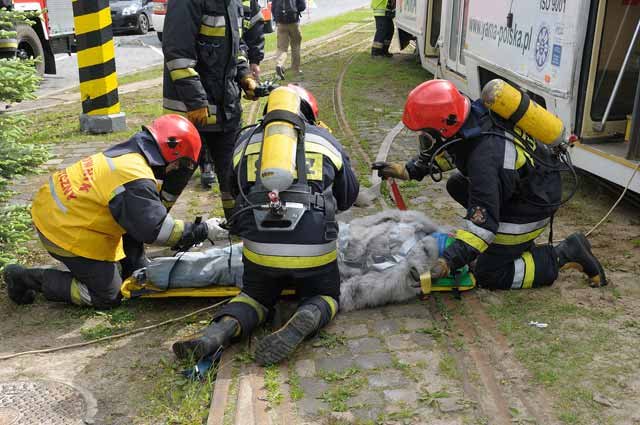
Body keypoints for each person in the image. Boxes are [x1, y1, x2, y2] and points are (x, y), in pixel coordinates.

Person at [172, 85, 359, 365]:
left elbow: (236, 193)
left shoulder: (245, 141)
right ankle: (308, 314)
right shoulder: (324, 140)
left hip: (260, 251)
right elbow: (348, 197)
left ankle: (218, 332)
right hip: (314, 253)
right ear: (309, 114)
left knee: (254, 297)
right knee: (327, 294)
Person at [373, 79, 607, 290]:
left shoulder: (485, 160)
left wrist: (448, 262)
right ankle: (508, 244)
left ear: (445, 126)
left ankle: (564, 254)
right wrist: (408, 170)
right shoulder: (472, 116)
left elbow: (483, 227)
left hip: (536, 203)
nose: (424, 140)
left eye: (427, 134)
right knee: (456, 184)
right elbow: (451, 151)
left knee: (488, 272)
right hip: (533, 183)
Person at [3, 115, 228, 309]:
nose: (178, 171)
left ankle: (126, 265)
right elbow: (157, 231)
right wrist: (202, 230)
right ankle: (25, 278)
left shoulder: (129, 156)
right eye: (180, 164)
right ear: (172, 150)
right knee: (106, 295)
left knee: (132, 250)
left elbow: (136, 218)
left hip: (56, 211)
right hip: (61, 231)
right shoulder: (134, 179)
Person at [161, 0, 262, 212]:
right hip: (189, 115)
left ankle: (236, 227)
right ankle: (147, 229)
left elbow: (237, 46)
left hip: (226, 111)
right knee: (175, 177)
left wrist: (244, 77)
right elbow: (177, 54)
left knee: (232, 175)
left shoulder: (232, 2)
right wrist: (196, 101)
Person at [273, 0, 306, 79]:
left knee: (282, 48)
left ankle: (279, 65)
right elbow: (302, 6)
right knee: (296, 46)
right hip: (293, 22)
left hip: (281, 23)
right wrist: (296, 10)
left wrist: (276, 18)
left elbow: (273, 7)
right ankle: (295, 70)